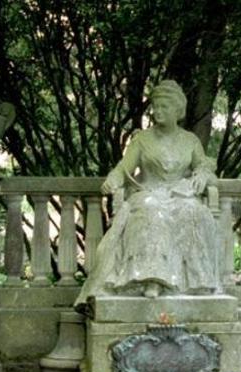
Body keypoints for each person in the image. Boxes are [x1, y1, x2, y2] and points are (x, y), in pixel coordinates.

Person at [74, 80, 220, 311]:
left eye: (164, 107)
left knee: (194, 212)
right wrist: (113, 180)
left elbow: (205, 167)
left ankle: (198, 280)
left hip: (180, 195)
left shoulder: (190, 141)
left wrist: (202, 174)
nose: (157, 111)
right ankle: (150, 279)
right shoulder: (142, 139)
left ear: (177, 110)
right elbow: (124, 168)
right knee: (151, 211)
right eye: (155, 106)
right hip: (148, 192)